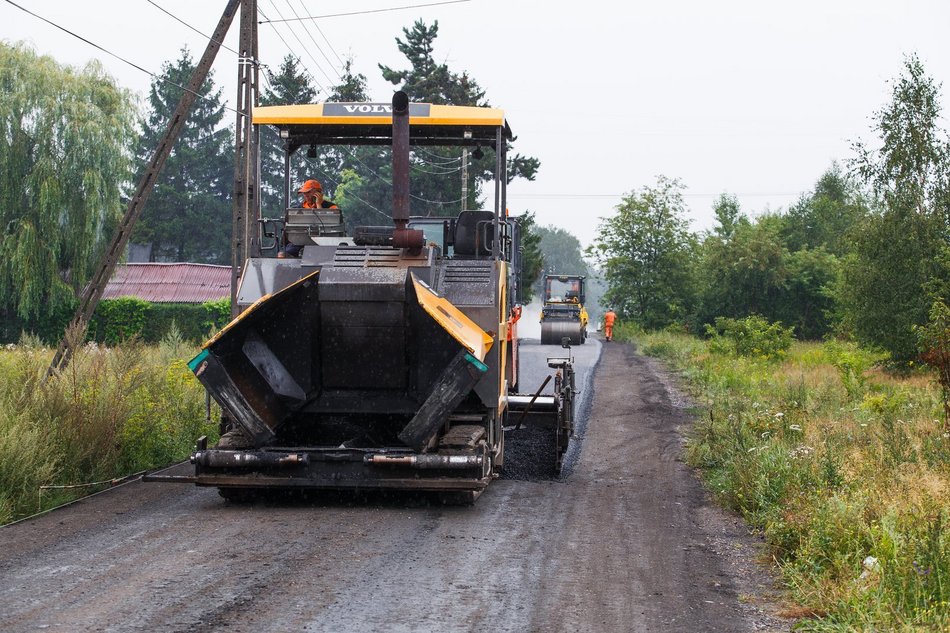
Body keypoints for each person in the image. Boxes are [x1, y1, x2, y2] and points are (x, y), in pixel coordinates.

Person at [278, 179, 339, 258]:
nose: (305, 195)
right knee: (284, 254)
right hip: (299, 243)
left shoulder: (332, 207)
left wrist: (318, 205)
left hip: (324, 244)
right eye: (304, 193)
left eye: (308, 192)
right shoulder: (296, 210)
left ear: (318, 193)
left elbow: (327, 226)